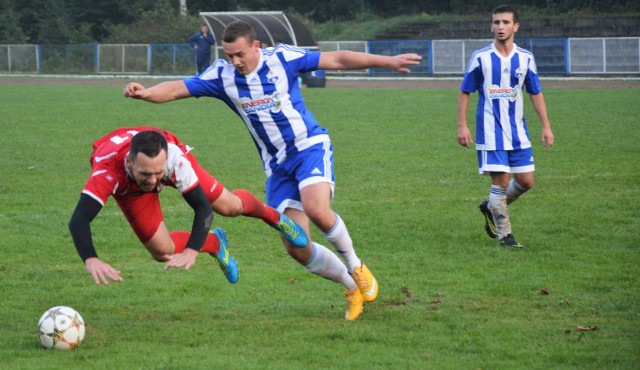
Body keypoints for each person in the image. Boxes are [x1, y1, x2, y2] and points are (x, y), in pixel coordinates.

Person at [123, 21, 422, 320]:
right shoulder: (223, 76)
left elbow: (337, 59)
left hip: (309, 147)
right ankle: (351, 286)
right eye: (229, 56)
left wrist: (387, 61)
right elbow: (177, 89)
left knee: (317, 209)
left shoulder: (282, 59)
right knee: (297, 247)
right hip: (277, 167)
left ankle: (356, 266)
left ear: (257, 46)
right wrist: (146, 93)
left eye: (240, 54)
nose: (235, 62)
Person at [69, 126, 308, 285]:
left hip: (159, 162)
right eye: (145, 174)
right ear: (130, 163)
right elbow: (79, 218)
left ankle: (275, 218)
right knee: (162, 253)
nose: (152, 181)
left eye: (157, 174)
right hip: (129, 188)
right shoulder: (108, 171)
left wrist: (191, 250)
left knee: (229, 207)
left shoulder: (174, 159)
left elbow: (202, 208)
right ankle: (215, 243)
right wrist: (91, 259)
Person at [456, 4, 554, 248]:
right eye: (497, 22)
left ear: (515, 26)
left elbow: (535, 92)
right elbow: (465, 91)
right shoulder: (481, 57)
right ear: (491, 26)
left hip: (518, 132)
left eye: (506, 22)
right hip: (490, 131)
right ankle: (506, 237)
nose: (501, 27)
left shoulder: (525, 58)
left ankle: (490, 207)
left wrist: (546, 126)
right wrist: (462, 125)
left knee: (526, 181)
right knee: (500, 183)